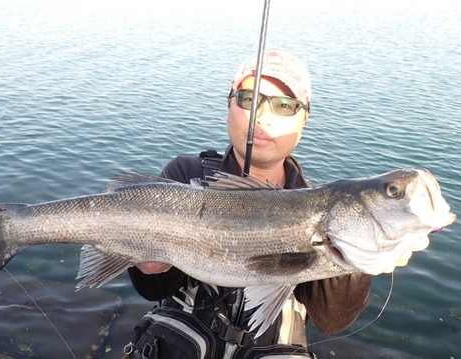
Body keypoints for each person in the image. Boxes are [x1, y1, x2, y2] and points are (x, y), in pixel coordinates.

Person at [125, 48, 429, 359]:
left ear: (304, 119)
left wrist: (363, 261)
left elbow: (331, 320)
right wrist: (149, 265)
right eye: (247, 99)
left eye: (284, 105)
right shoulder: (184, 177)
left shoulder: (321, 205)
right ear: (228, 105)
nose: (261, 115)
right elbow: (152, 290)